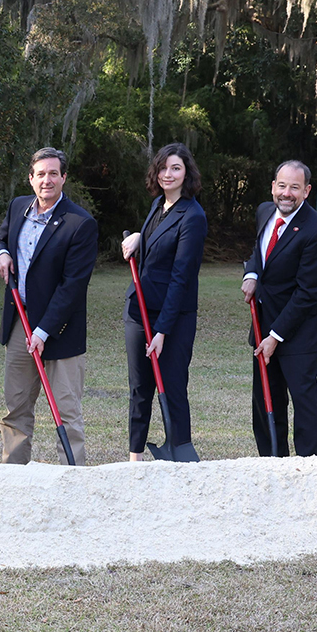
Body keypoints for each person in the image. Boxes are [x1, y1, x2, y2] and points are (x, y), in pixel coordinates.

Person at [0, 148, 98, 465]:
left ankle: (72, 477)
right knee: (16, 406)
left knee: (66, 409)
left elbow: (72, 286)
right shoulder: (18, 207)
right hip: (20, 325)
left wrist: (44, 331)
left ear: (64, 177)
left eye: (53, 173)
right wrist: (1, 255)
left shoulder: (80, 223)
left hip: (59, 330)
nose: (46, 180)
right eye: (40, 174)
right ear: (30, 178)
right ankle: (14, 474)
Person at [241, 160, 317, 456]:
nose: (286, 193)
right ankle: (271, 461)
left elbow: (309, 293)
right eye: (281, 186)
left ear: (306, 191)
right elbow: (260, 251)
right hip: (263, 325)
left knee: (303, 404)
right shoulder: (265, 212)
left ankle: (310, 468)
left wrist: (276, 335)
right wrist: (252, 274)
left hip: (300, 333)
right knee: (266, 402)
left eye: (294, 187)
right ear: (273, 186)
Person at [119, 143, 208, 460]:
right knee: (139, 388)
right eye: (163, 168)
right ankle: (135, 456)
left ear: (187, 173)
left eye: (176, 168)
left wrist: (162, 331)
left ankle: (180, 453)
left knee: (170, 387)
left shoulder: (193, 216)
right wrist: (140, 238)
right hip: (139, 310)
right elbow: (158, 245)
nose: (168, 174)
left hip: (173, 317)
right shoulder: (159, 205)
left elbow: (181, 277)